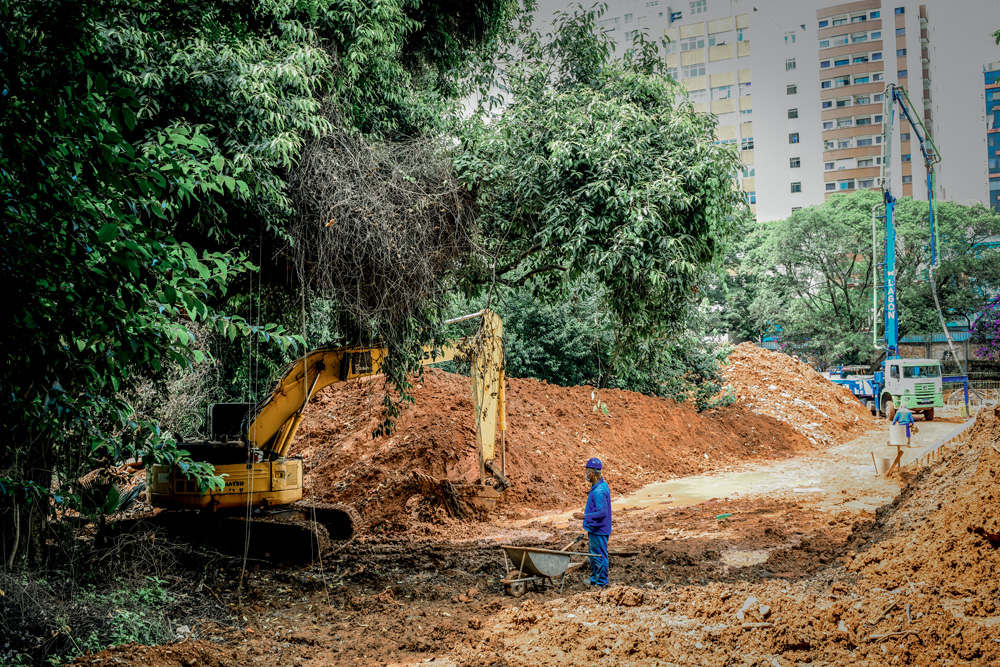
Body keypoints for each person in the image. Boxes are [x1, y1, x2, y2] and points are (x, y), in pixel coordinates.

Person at [572, 457, 612, 588]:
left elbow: (602, 513)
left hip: (599, 529)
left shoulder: (599, 491)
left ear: (593, 473)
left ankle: (602, 582)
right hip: (595, 528)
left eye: (587, 472)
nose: (586, 475)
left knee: (599, 556)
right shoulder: (598, 486)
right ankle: (595, 579)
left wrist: (584, 516)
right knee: (594, 555)